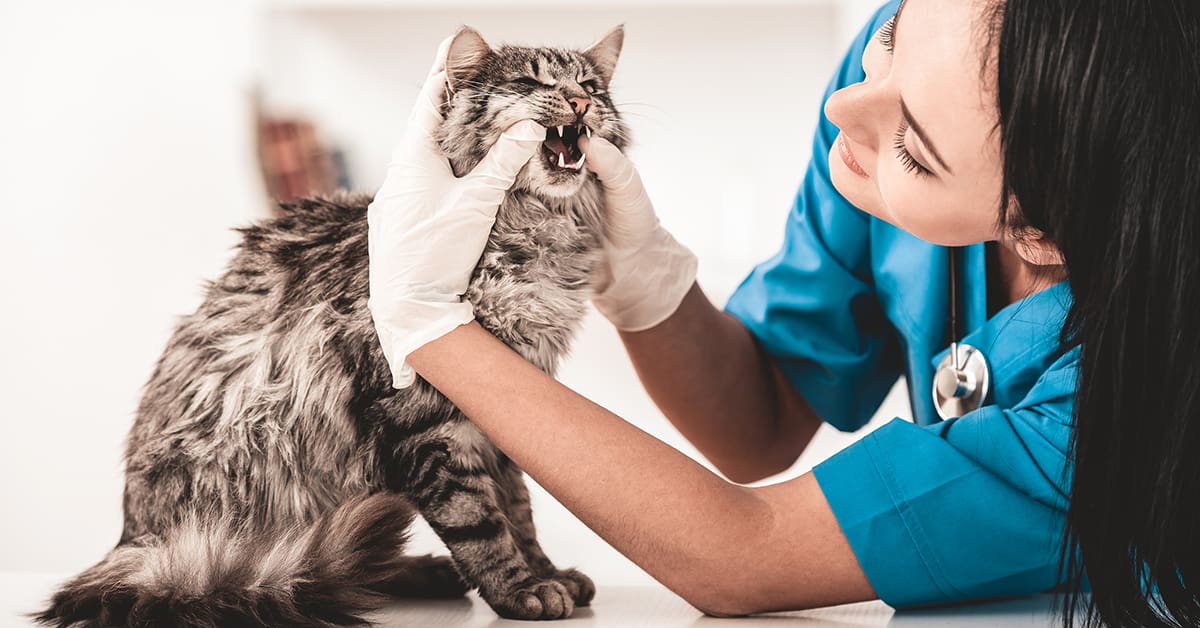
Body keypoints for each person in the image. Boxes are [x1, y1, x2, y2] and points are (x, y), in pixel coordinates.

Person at [366, 1, 1200, 626]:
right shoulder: (929, 68)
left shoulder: (1133, 392)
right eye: (887, 43)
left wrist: (430, 326)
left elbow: (741, 555)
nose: (846, 108)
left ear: (1038, 230)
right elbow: (756, 422)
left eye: (911, 146)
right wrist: (642, 276)